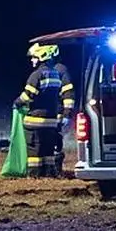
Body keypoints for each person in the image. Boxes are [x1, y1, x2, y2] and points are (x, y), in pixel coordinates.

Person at [14, 43, 75, 178]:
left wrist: (17, 103)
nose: (31, 60)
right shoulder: (55, 73)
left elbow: (28, 95)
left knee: (37, 147)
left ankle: (37, 174)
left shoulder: (41, 74)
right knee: (49, 147)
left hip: (38, 118)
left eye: (34, 57)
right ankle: (49, 173)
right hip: (52, 117)